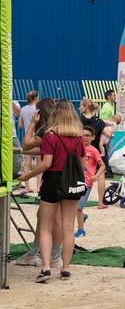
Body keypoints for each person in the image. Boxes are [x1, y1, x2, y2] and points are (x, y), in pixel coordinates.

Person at [17, 99, 87, 282]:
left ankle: (46, 267)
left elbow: (46, 163)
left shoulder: (50, 136)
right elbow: (83, 164)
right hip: (72, 182)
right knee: (68, 229)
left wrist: (27, 176)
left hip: (53, 181)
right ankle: (65, 268)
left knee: (46, 227)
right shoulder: (79, 138)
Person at [15, 97, 62, 268]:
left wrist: (33, 124)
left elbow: (27, 145)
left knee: (45, 219)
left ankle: (43, 256)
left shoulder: (46, 131)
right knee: (55, 219)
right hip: (66, 178)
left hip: (52, 178)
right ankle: (53, 254)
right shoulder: (62, 128)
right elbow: (45, 150)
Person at [75, 127, 106, 238]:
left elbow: (102, 165)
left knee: (78, 207)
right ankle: (82, 216)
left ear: (93, 137)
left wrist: (96, 176)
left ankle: (81, 230)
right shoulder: (76, 148)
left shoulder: (93, 150)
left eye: (87, 135)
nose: (84, 137)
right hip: (74, 180)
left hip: (87, 182)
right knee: (74, 206)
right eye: (82, 135)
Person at [17, 90, 39, 195]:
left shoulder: (23, 109)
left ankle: (27, 187)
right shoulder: (38, 109)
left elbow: (20, 125)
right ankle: (38, 187)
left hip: (27, 137)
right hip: (37, 137)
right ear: (36, 98)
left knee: (26, 163)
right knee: (40, 163)